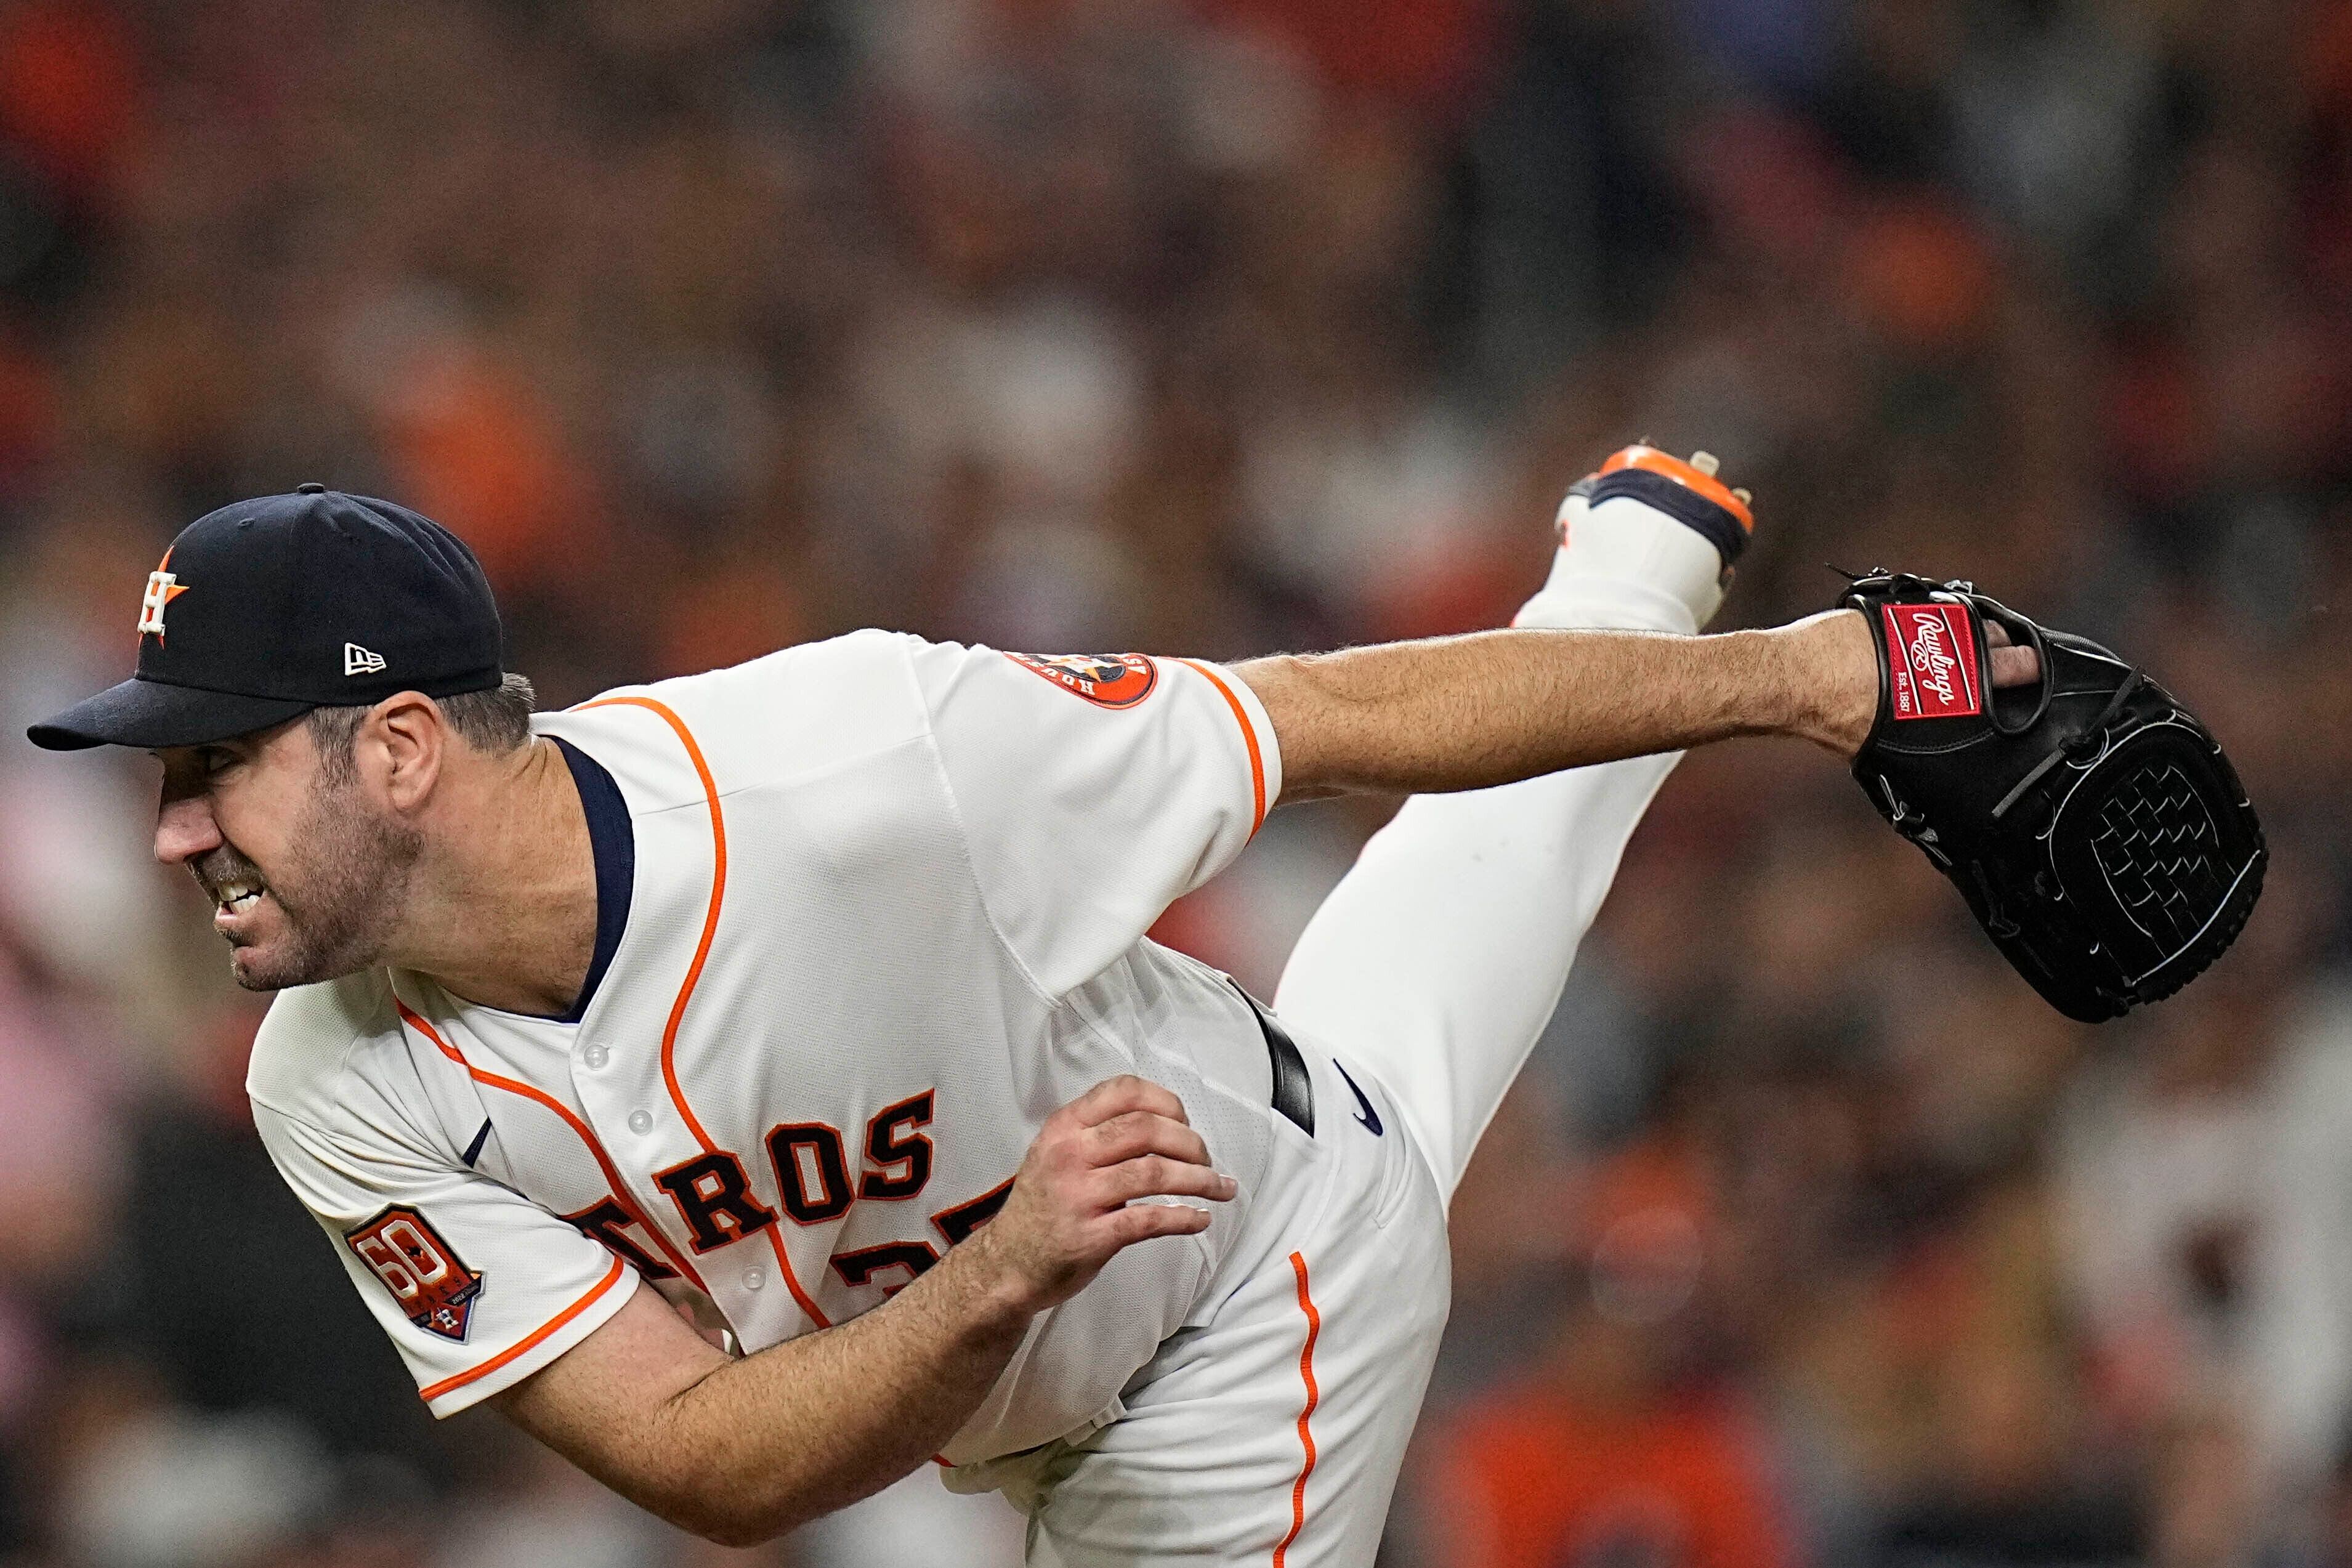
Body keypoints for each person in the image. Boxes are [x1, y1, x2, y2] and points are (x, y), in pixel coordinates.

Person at [27, 454, 2031, 1565]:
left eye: (213, 765)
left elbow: (1324, 718)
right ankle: (1628, 564)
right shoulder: (328, 1072)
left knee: (1393, 1060)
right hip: (1035, 1326)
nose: (173, 826)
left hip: (1236, 1297)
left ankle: (1706, 624)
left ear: (395, 748)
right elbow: (711, 1470)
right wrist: (989, 1278)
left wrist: (1816, 684)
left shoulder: (860, 762)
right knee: (1427, 967)